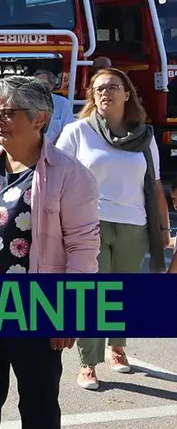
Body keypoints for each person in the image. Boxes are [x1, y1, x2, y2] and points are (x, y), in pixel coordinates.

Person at [0, 75, 100, 429]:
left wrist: (69, 311)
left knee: (38, 404)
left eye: (9, 113)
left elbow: (83, 248)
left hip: (37, 308)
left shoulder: (69, 174)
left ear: (40, 118)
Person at [55, 67, 170, 390]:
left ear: (127, 93)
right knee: (94, 293)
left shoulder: (145, 137)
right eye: (99, 88)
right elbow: (58, 177)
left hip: (135, 225)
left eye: (112, 87)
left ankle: (116, 347)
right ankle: (87, 363)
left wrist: (163, 228)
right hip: (89, 224)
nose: (105, 92)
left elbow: (155, 185)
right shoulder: (78, 132)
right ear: (93, 96)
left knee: (122, 292)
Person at [0, 70, 73, 150]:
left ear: (40, 120)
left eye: (8, 114)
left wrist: (51, 152)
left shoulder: (68, 169)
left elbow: (66, 132)